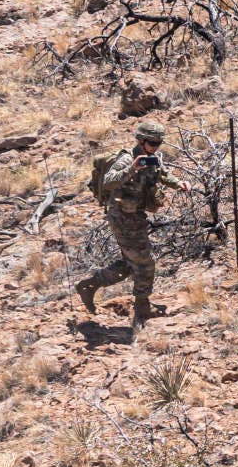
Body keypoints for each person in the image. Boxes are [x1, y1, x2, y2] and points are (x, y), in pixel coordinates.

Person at [75, 120, 179, 324]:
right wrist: (132, 168)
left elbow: (163, 176)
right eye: (152, 142)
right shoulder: (126, 159)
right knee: (145, 263)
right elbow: (109, 181)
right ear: (141, 141)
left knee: (131, 264)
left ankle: (90, 285)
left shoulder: (152, 159)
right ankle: (142, 309)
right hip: (122, 218)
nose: (156, 147)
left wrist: (179, 184)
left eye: (159, 143)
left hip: (136, 217)